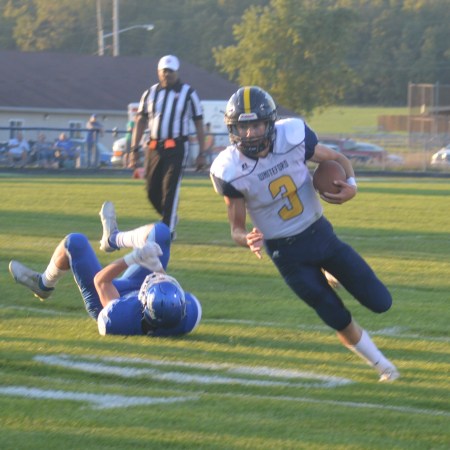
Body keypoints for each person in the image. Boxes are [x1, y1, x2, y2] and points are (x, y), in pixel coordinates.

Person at [210, 86, 399, 382]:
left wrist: (351, 186)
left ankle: (328, 270)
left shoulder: (292, 136)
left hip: (320, 234)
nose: (250, 134)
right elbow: (235, 228)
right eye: (243, 127)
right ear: (233, 129)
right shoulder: (229, 169)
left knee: (380, 301)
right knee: (334, 315)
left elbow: (337, 158)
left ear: (270, 123)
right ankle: (384, 367)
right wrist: (245, 238)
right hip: (286, 253)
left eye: (256, 125)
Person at [8, 201, 202, 337]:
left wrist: (133, 258)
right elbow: (165, 301)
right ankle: (113, 238)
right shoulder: (187, 314)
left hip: (104, 298)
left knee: (75, 242)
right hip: (141, 294)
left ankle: (43, 284)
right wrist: (158, 269)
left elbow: (101, 281)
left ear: (142, 304)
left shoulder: (119, 316)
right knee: (161, 232)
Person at [130, 54, 206, 239]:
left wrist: (202, 153)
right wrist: (133, 149)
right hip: (154, 147)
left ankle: (167, 231)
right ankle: (170, 217)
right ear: (158, 72)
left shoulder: (188, 93)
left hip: (177, 147)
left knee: (170, 189)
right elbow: (140, 121)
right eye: (164, 71)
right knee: (151, 191)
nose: (167, 74)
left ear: (177, 72)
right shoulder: (150, 93)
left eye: (171, 71)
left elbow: (198, 123)